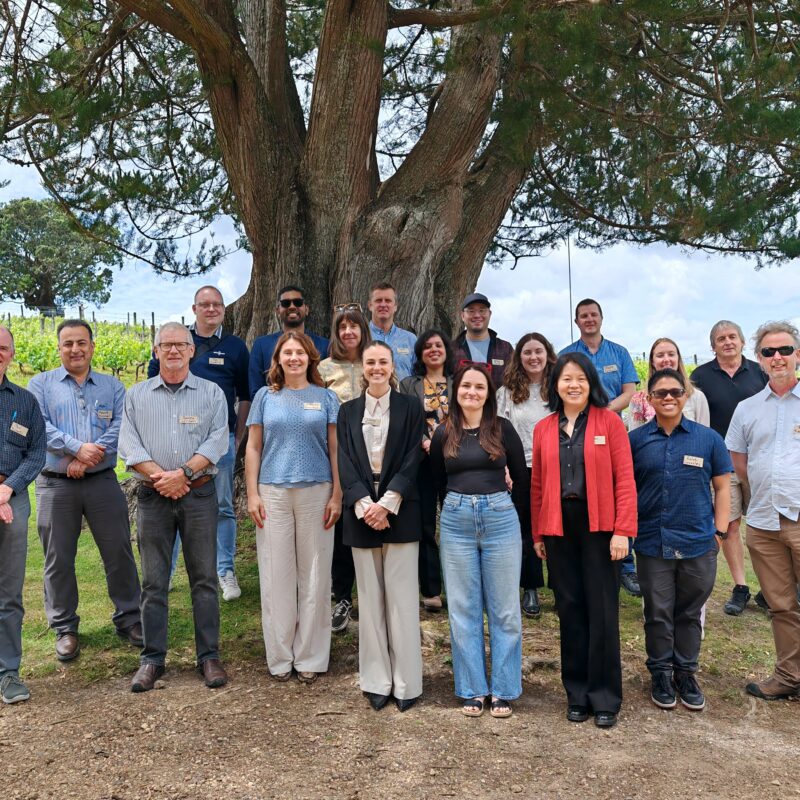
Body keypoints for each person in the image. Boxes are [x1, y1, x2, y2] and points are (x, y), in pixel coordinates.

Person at [120, 322, 230, 693]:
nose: (173, 351)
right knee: (153, 582)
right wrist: (163, 479)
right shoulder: (136, 396)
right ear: (155, 351)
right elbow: (130, 448)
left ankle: (209, 656)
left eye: (180, 344)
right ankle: (152, 659)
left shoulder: (212, 393)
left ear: (191, 351)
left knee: (204, 579)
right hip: (153, 497)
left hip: (199, 495)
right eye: (165, 345)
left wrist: (182, 473)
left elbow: (218, 441)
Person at [531, 352, 637, 728]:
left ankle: (605, 696)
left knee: (602, 612)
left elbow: (625, 479)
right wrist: (538, 533)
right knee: (570, 610)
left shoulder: (610, 422)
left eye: (580, 378)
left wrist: (623, 530)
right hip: (559, 527)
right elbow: (538, 484)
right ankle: (576, 694)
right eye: (565, 378)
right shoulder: (544, 427)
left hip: (601, 529)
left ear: (591, 382)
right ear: (555, 385)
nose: (572, 384)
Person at [28, 320, 142, 663]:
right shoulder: (40, 385)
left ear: (92, 346)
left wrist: (87, 457)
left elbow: (122, 427)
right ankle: (65, 628)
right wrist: (78, 449)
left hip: (101, 482)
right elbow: (40, 427)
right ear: (59, 348)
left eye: (81, 343)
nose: (75, 349)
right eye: (67, 344)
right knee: (58, 558)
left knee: (119, 551)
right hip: (54, 483)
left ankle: (130, 619)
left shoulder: (113, 387)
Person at [629, 368, 732, 712]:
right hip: (652, 541)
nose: (669, 397)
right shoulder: (637, 440)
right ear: (650, 398)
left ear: (686, 395)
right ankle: (660, 672)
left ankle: (685, 672)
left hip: (699, 542)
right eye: (661, 393)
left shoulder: (708, 439)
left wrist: (719, 532)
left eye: (675, 391)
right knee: (658, 613)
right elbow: (626, 489)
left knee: (688, 613)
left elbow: (722, 487)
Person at [430, 364, 529, 719]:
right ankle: (473, 689)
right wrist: (454, 509)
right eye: (466, 386)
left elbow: (521, 477)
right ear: (457, 392)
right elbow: (437, 481)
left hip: (501, 519)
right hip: (456, 522)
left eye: (479, 387)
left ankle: (503, 689)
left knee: (504, 609)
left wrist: (510, 515)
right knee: (463, 609)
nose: (472, 392)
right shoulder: (444, 432)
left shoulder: (502, 430)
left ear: (489, 393)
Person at [245, 332, 341, 683]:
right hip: (273, 493)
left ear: (310, 357)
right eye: (288, 352)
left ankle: (311, 657)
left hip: (318, 492)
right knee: (276, 576)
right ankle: (280, 656)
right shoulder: (264, 397)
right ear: (279, 359)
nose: (294, 358)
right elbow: (253, 448)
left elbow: (335, 450)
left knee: (315, 577)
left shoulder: (327, 398)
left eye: (300, 352)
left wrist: (338, 494)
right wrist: (252, 494)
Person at [148, 286, 250, 602]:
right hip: (175, 442)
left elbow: (245, 395)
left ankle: (225, 571)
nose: (211, 309)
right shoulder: (175, 341)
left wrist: (239, 435)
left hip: (220, 443)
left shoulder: (235, 348)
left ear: (223, 309)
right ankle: (165, 573)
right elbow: (153, 388)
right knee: (172, 503)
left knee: (222, 507)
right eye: (204, 304)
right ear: (194, 309)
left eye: (216, 304)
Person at [338, 342, 425, 711]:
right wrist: (362, 503)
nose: (376, 368)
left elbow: (412, 458)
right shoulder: (347, 412)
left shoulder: (410, 407)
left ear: (392, 367)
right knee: (370, 601)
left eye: (383, 362)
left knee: (402, 600)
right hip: (361, 510)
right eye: (370, 362)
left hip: (400, 508)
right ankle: (376, 680)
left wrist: (388, 503)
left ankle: (407, 683)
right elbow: (342, 458)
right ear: (362, 367)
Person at [726, 321, 800, 700]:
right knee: (782, 605)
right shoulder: (747, 408)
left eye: (785, 350)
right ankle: (789, 676)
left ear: (797, 355)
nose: (777, 358)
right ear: (759, 359)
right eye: (769, 352)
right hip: (764, 521)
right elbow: (739, 461)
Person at [559, 298, 640, 596]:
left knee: (618, 490)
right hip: (575, 434)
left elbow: (630, 392)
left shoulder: (619, 353)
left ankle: (626, 566)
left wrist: (602, 412)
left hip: (611, 431)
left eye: (593, 314)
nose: (589, 319)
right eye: (583, 316)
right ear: (576, 321)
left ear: (601, 318)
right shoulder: (567, 355)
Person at [691, 320, 769, 616]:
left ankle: (771, 589)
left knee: (766, 527)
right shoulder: (700, 376)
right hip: (722, 464)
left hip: (759, 461)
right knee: (731, 525)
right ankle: (740, 587)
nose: (727, 342)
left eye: (732, 337)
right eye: (721, 338)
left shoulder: (760, 371)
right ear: (713, 346)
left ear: (742, 341)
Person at [0, 326, 46, 704]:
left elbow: (36, 453)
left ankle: (8, 672)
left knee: (9, 591)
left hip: (11, 498)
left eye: (3, 348)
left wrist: (8, 488)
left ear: (12, 353)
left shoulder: (25, 402)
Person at [319, 305, 371, 633]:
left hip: (372, 456)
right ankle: (342, 596)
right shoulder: (324, 369)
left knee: (368, 523)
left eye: (354, 327)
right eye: (343, 327)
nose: (348, 332)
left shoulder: (374, 362)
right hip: (334, 456)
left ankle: (371, 595)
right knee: (340, 531)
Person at [497, 333, 557, 618]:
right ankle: (530, 587)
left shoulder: (558, 387)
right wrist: (503, 466)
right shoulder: (507, 392)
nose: (533, 357)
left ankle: (560, 586)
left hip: (557, 465)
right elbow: (496, 430)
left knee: (557, 527)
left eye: (539, 352)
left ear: (548, 354)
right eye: (527, 352)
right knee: (524, 529)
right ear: (518, 357)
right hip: (520, 467)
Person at [399, 329, 455, 612]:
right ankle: (431, 589)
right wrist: (424, 440)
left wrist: (447, 442)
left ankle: (459, 589)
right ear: (420, 353)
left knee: (456, 526)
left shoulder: (459, 383)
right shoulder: (409, 384)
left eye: (439, 345)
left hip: (456, 461)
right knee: (425, 526)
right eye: (428, 346)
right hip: (421, 462)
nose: (434, 349)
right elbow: (406, 419)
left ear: (446, 350)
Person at [248, 285, 330, 399]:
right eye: (286, 303)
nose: (292, 307)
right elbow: (255, 390)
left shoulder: (325, 345)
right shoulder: (261, 345)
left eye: (298, 302)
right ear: (278, 310)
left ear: (306, 309)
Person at [628, 338, 710, 430]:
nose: (666, 359)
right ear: (652, 361)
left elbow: (704, 437)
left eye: (671, 354)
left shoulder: (696, 396)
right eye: (660, 355)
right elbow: (635, 439)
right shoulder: (638, 399)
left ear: (678, 358)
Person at [453, 293, 514, 386]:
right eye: (471, 311)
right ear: (462, 316)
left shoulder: (505, 349)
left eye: (482, 310)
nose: (477, 315)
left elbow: (516, 382)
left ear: (489, 314)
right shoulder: (450, 349)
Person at [367, 282, 417, 381]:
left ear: (395, 306)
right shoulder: (360, 337)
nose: (383, 304)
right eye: (378, 300)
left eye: (388, 301)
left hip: (404, 396)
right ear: (370, 305)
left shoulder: (410, 340)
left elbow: (419, 377)